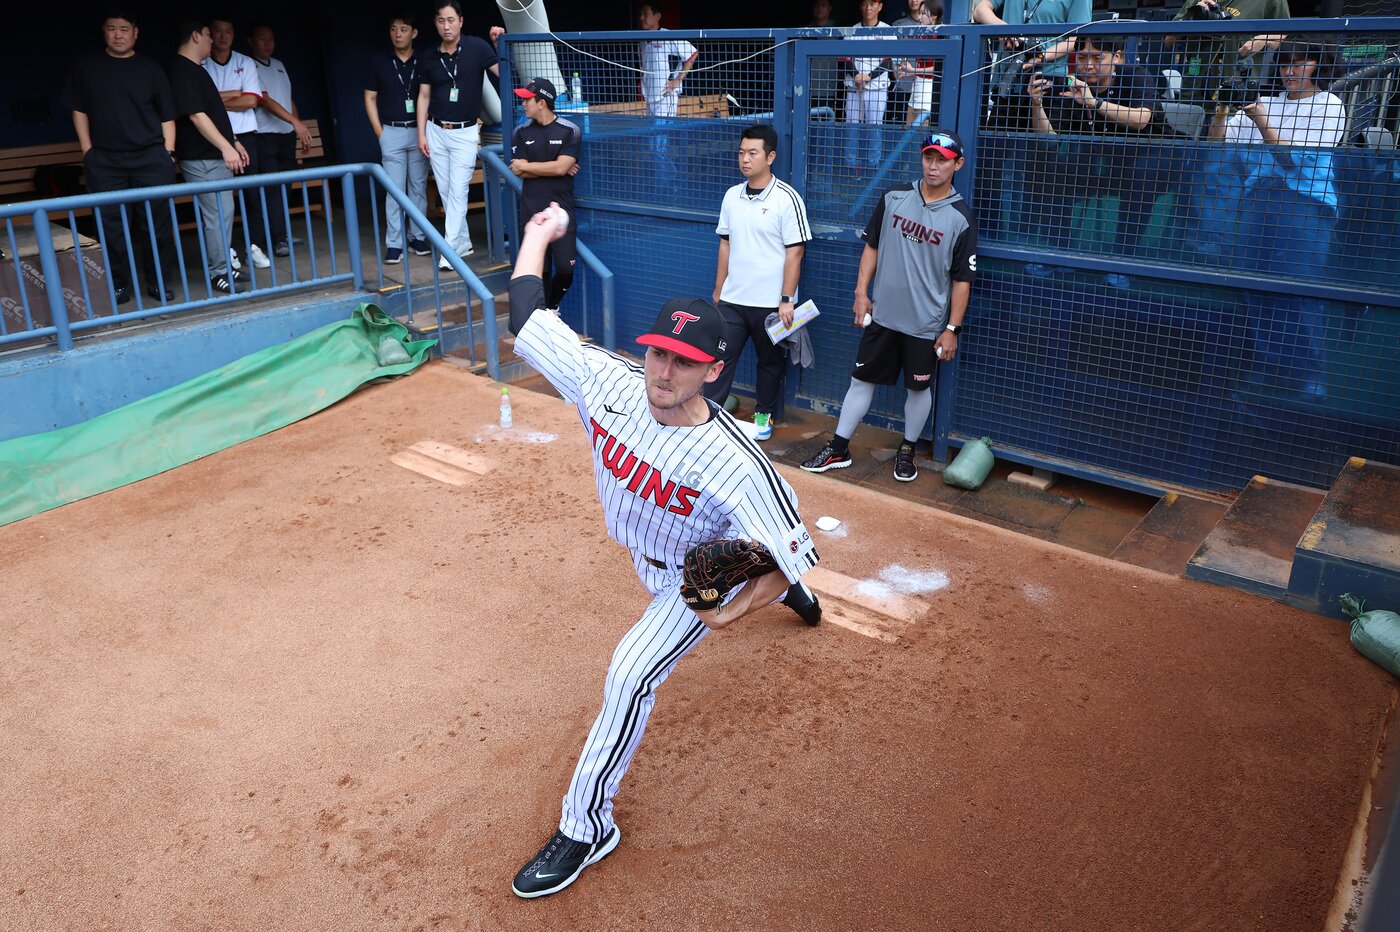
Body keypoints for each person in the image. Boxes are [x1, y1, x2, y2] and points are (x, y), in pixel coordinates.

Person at [505, 202, 822, 900]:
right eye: (656, 352)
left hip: (688, 582)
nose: (662, 372)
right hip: (653, 555)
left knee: (629, 674)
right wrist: (536, 235)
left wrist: (729, 613)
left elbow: (797, 545)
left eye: (683, 362)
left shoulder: (738, 464)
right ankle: (763, 583)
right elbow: (526, 312)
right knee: (752, 564)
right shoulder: (609, 382)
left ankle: (587, 826)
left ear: (713, 370)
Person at [801, 131, 976, 482]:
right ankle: (838, 448)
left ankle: (907, 449)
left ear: (958, 164)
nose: (933, 165)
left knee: (918, 388)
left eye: (942, 160)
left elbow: (962, 280)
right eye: (929, 157)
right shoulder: (894, 197)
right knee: (861, 380)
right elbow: (872, 248)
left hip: (925, 325)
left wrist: (952, 328)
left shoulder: (961, 218)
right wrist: (861, 293)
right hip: (882, 315)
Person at [1208, 38, 1345, 397]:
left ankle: (1310, 374)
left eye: (1301, 63)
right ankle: (1269, 367)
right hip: (1260, 201)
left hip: (1306, 205)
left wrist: (1262, 121)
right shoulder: (1265, 103)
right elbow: (1216, 145)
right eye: (1285, 64)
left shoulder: (1330, 105)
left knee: (1301, 290)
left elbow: (1294, 160)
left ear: (1320, 65)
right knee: (1256, 289)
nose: (1290, 71)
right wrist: (1222, 109)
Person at [701, 124, 812, 441]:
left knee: (769, 365)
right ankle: (708, 414)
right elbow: (725, 244)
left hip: (770, 307)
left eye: (753, 153)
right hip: (732, 302)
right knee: (719, 359)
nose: (745, 159)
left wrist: (786, 298)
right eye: (741, 152)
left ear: (770, 156)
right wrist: (718, 288)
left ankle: (764, 417)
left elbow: (796, 252)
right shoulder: (731, 196)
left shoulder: (786, 198)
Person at [1026, 34, 1168, 282]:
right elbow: (1050, 138)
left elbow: (1142, 119)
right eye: (1082, 57)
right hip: (1105, 163)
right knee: (1059, 165)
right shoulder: (1073, 86)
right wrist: (1037, 104)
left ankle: (1123, 261)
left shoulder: (1135, 76)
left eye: (1096, 57)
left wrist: (1094, 102)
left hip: (1152, 158)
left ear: (1118, 57)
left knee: (1142, 173)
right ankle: (1059, 254)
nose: (1088, 64)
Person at [63, 9, 178, 305]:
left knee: (157, 226)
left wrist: (168, 152)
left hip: (151, 157)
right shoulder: (86, 66)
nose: (118, 34)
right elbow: (79, 109)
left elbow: (167, 115)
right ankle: (118, 284)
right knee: (110, 227)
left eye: (124, 29)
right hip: (105, 160)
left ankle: (158, 281)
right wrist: (87, 151)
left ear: (135, 33)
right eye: (112, 28)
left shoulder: (151, 68)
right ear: (104, 31)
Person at [416, 0, 503, 269]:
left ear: (461, 21)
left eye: (451, 20)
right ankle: (462, 243)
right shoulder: (429, 55)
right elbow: (423, 96)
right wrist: (421, 134)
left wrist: (499, 45)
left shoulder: (477, 47)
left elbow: (504, 72)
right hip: (436, 129)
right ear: (436, 23)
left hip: (466, 131)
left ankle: (449, 252)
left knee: (457, 192)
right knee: (446, 190)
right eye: (441, 21)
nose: (446, 26)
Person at [168, 19, 250, 295]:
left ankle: (224, 264)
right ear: (195, 35)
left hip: (214, 154)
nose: (212, 39)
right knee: (216, 215)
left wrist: (233, 141)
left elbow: (212, 113)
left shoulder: (194, 70)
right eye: (207, 34)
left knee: (224, 213)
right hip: (202, 157)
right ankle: (218, 272)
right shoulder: (182, 70)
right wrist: (226, 147)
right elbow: (196, 115)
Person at [365, 12, 432, 264]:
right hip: (391, 130)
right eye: (394, 29)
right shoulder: (380, 61)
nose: (398, 34)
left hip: (418, 131)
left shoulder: (424, 60)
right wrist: (380, 133)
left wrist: (424, 131)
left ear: (414, 33)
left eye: (403, 29)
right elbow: (369, 97)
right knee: (394, 191)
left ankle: (417, 237)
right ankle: (394, 243)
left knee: (418, 188)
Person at [509, 78, 581, 311]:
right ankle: (541, 313)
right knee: (539, 271)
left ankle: (551, 307)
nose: (523, 104)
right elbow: (519, 170)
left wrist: (532, 166)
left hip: (561, 212)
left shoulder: (570, 130)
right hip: (531, 211)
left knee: (565, 268)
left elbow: (556, 168)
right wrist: (556, 166)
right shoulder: (520, 132)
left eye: (526, 100)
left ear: (541, 103)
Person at [203, 17, 270, 270]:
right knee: (221, 200)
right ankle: (227, 249)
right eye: (217, 31)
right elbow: (200, 104)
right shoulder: (202, 63)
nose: (222, 36)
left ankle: (254, 245)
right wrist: (234, 94)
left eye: (228, 31)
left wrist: (214, 101)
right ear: (209, 34)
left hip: (247, 135)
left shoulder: (244, 61)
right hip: (216, 139)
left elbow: (252, 100)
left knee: (252, 194)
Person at [248, 24, 314, 259]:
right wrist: (295, 122)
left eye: (271, 40)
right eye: (261, 39)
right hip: (265, 135)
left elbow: (287, 98)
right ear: (251, 41)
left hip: (286, 134)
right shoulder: (249, 66)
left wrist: (298, 127)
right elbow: (263, 100)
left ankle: (281, 232)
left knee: (285, 187)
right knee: (273, 189)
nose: (267, 44)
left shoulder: (278, 65)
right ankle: (277, 240)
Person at [1164, 0, 1289, 109]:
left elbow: (1289, 38)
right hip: (1193, 94)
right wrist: (1192, 16)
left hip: (1237, 96)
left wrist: (1263, 39)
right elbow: (1168, 40)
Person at [843, 0, 893, 174]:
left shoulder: (888, 31)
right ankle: (851, 166)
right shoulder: (851, 30)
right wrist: (857, 75)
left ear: (880, 7)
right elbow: (845, 59)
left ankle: (873, 165)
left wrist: (868, 76)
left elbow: (888, 61)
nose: (868, 8)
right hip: (854, 86)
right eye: (864, 3)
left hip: (877, 87)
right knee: (851, 127)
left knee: (874, 128)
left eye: (873, 4)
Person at [638, 2, 698, 118]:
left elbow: (692, 53)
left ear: (657, 16)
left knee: (661, 134)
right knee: (652, 134)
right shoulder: (641, 41)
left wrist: (677, 80)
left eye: (645, 14)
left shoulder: (668, 36)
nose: (642, 18)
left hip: (665, 96)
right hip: (650, 97)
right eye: (641, 14)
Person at [893, 0, 943, 128]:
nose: (919, 18)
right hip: (917, 85)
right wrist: (908, 72)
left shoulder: (940, 35)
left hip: (929, 89)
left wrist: (912, 70)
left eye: (923, 14)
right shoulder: (924, 35)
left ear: (934, 16)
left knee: (922, 127)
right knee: (909, 124)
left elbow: (938, 68)